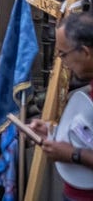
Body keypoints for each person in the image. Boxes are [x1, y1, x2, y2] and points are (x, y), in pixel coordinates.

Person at [27, 11, 93, 196]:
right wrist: (52, 132)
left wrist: (72, 154)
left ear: (85, 52)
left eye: (63, 54)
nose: (62, 62)